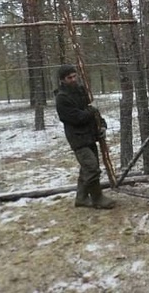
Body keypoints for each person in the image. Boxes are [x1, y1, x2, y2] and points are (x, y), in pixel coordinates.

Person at [55, 64, 116, 210]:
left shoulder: (81, 90)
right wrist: (91, 110)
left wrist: (102, 125)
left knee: (86, 168)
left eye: (75, 76)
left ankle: (81, 198)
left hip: (90, 135)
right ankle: (97, 198)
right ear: (62, 80)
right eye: (70, 78)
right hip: (78, 139)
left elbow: (94, 112)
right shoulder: (61, 98)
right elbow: (77, 118)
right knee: (92, 168)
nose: (73, 79)